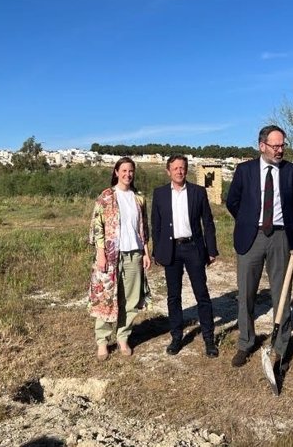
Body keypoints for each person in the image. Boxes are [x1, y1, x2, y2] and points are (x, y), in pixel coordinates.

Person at [226, 125, 293, 368]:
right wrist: (249, 221)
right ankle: (246, 341)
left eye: (283, 145)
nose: (280, 150)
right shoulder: (244, 170)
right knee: (246, 293)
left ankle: (279, 347)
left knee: (282, 294)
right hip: (251, 236)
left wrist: (284, 224)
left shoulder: (292, 171)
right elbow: (232, 202)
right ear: (262, 146)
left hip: (281, 237)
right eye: (275, 146)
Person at [151, 154, 219, 358]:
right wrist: (157, 251)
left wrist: (211, 249)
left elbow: (207, 222)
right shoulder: (160, 193)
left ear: (186, 170)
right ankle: (177, 337)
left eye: (182, 168)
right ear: (168, 171)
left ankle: (209, 338)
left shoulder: (198, 192)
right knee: (174, 296)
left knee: (202, 294)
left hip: (193, 248)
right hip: (171, 249)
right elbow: (156, 225)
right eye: (175, 168)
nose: (179, 171)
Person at [88, 157, 152, 361]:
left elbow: (144, 228)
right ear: (116, 172)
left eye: (131, 171)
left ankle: (123, 337)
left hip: (134, 254)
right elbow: (97, 225)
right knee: (106, 297)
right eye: (123, 170)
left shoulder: (139, 198)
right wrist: (100, 253)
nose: (127, 174)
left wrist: (146, 253)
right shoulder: (106, 197)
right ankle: (102, 341)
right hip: (111, 255)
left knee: (131, 299)